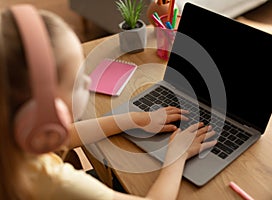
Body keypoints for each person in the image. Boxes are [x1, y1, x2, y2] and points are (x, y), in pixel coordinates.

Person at [0, 4, 217, 200]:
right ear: (43, 116)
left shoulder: (11, 138)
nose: (87, 80)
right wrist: (176, 158)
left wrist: (135, 119)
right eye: (76, 81)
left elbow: (70, 134)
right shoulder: (53, 182)